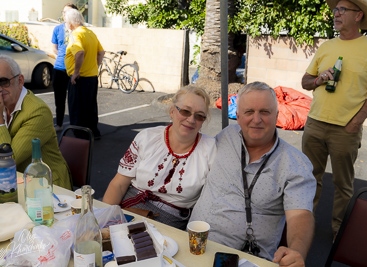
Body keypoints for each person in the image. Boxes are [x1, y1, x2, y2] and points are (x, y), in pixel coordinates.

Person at [190, 82, 316, 265]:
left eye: (264, 112)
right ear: (238, 117)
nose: (256, 120)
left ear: (277, 116)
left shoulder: (295, 164)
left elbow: (300, 215)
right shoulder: (227, 136)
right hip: (192, 243)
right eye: (249, 112)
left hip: (241, 258)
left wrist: (296, 250)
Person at [301, 0, 367, 238]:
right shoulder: (326, 46)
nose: (336, 14)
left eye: (342, 10)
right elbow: (305, 81)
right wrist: (319, 79)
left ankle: (340, 231)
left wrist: (355, 123)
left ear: (358, 15)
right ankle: (304, 224)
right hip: (315, 123)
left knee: (343, 185)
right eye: (335, 9)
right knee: (308, 179)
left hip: (345, 130)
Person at [103, 85, 216, 230]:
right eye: (185, 111)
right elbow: (118, 185)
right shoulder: (147, 138)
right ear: (172, 112)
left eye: (199, 116)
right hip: (129, 210)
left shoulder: (211, 150)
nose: (191, 119)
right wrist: (104, 220)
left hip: (170, 225)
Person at [0, 55, 72, 189]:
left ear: (20, 80)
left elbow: (9, 160)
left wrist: (0, 122)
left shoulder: (38, 111)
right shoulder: (3, 106)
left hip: (48, 188)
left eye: (3, 82)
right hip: (17, 182)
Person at [64, 9, 105, 140]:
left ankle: (79, 135)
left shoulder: (76, 35)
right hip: (92, 77)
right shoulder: (90, 33)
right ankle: (93, 132)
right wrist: (95, 66)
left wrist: (76, 72)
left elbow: (79, 52)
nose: (65, 24)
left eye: (66, 21)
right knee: (90, 106)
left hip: (80, 78)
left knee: (77, 108)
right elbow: (101, 52)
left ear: (70, 23)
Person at [51, 3, 78, 132]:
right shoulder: (57, 29)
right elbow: (54, 49)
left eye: (67, 12)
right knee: (59, 99)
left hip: (73, 70)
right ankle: (60, 124)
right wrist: (64, 57)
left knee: (74, 100)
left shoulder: (78, 30)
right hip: (59, 68)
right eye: (63, 12)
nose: (64, 15)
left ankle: (74, 125)